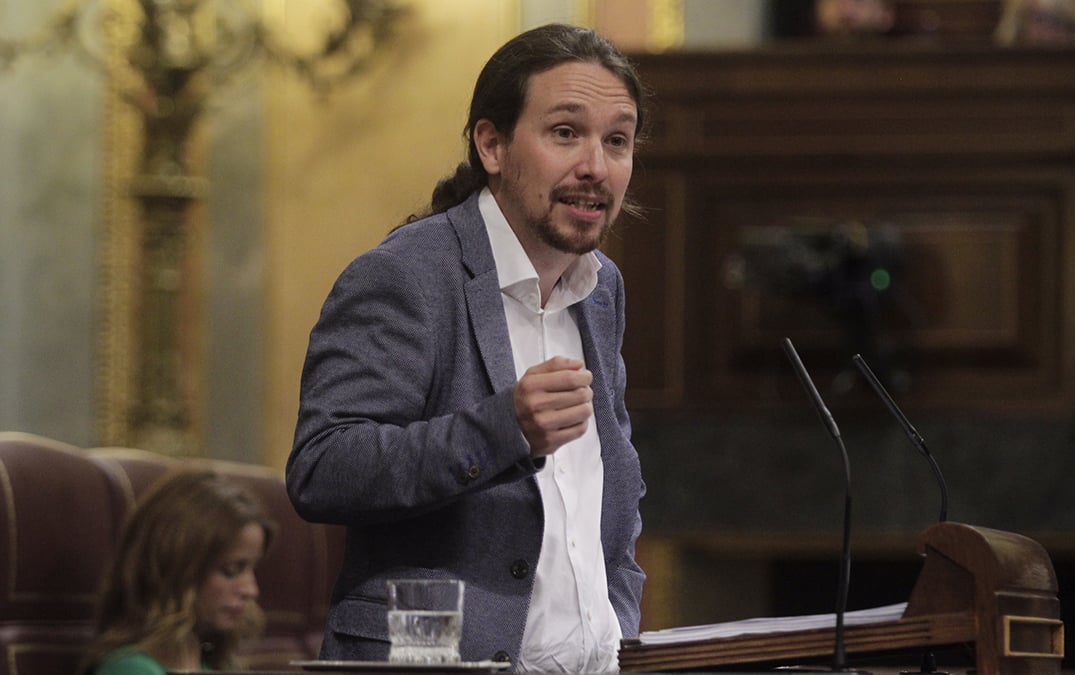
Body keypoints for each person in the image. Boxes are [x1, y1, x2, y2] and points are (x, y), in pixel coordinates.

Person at [287, 23, 648, 673]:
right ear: (492, 143)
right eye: (566, 132)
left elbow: (610, 495)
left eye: (616, 140)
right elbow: (323, 467)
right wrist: (501, 429)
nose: (596, 166)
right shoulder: (407, 274)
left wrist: (617, 622)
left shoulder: (602, 291)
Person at [79, 469, 276, 675]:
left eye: (252, 568)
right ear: (177, 569)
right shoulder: (129, 669)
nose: (251, 590)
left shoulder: (208, 663)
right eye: (231, 570)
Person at [994, 0, 1075, 46]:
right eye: (1040, 20)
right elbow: (1005, 35)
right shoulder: (1017, 4)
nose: (1047, 32)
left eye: (1056, 23)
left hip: (1071, 61)